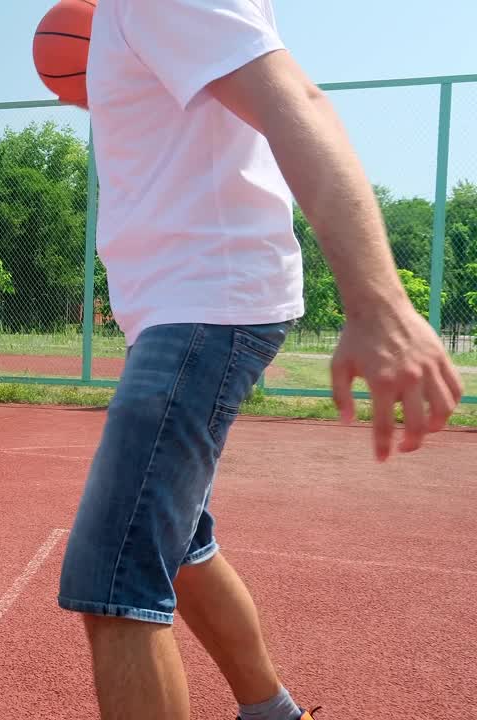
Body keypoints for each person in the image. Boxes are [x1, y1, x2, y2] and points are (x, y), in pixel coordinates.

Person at [56, 1, 464, 719]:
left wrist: (380, 303)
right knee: (179, 548)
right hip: (188, 306)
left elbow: (293, 99)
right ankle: (275, 714)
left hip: (202, 305)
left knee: (116, 580)